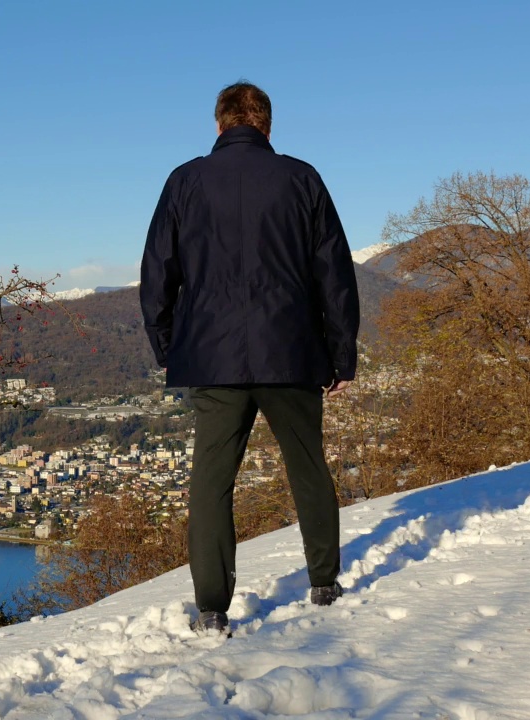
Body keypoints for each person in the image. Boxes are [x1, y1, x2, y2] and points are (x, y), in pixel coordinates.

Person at [139, 81, 360, 636]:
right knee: (307, 466)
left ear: (219, 124)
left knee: (212, 481)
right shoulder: (302, 179)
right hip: (292, 352)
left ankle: (212, 607)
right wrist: (341, 354)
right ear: (266, 123)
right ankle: (325, 581)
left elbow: (156, 275)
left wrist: (170, 348)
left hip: (211, 358)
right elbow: (334, 275)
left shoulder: (185, 181)